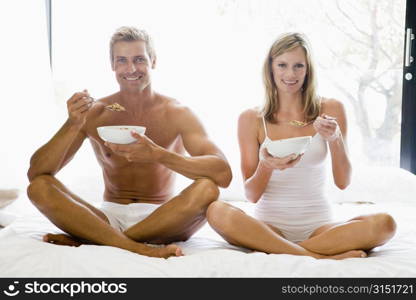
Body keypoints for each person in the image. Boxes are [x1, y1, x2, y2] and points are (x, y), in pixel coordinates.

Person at [27, 26, 232, 258]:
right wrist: (72, 123)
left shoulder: (178, 113)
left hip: (163, 217)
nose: (131, 69)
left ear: (153, 61)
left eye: (139, 59)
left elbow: (223, 174)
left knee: (207, 189)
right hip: (107, 216)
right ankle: (132, 245)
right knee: (39, 188)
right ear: (112, 65)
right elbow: (37, 173)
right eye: (122, 60)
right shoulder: (94, 112)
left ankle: (93, 238)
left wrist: (159, 155)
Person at [206, 33, 396, 259]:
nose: (290, 74)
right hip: (269, 227)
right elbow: (251, 195)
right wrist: (266, 166)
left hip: (319, 227)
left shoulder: (332, 109)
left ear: (308, 70)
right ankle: (320, 256)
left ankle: (285, 251)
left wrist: (335, 139)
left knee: (385, 224)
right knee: (216, 211)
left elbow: (343, 182)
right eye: (282, 65)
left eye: (298, 66)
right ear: (270, 69)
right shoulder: (251, 118)